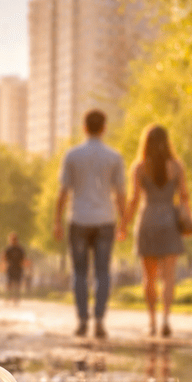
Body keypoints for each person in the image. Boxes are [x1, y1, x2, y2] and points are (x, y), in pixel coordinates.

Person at [54, 109, 127, 339]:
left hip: (79, 220)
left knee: (79, 273)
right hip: (105, 220)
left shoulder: (72, 155)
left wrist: (57, 220)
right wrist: (124, 221)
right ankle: (99, 321)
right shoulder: (114, 157)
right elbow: (121, 193)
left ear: (84, 127)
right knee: (103, 272)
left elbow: (63, 192)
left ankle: (83, 320)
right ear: (104, 128)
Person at [126, 124, 192, 337]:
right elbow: (184, 196)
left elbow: (134, 199)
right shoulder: (177, 167)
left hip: (147, 221)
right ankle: (166, 320)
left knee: (149, 277)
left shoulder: (139, 167)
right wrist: (187, 216)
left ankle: (152, 322)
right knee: (169, 276)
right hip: (170, 223)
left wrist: (124, 223)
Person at [1, 232, 28, 305]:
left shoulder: (20, 249)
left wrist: (24, 266)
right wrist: (3, 266)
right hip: (10, 268)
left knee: (18, 284)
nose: (13, 240)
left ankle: (16, 298)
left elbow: (23, 259)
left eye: (14, 239)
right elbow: (4, 258)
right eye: (12, 239)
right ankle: (8, 297)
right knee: (9, 284)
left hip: (18, 268)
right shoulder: (8, 249)